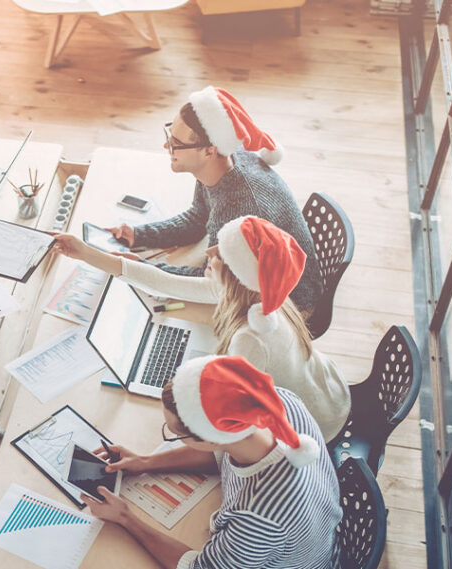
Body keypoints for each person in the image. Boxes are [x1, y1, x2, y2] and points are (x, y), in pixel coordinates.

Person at [55, 216, 349, 441]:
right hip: (326, 393)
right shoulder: (254, 292)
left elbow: (234, 421)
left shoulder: (251, 339)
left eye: (220, 253)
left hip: (315, 426)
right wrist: (84, 252)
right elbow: (161, 281)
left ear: (236, 274)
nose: (209, 251)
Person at [85, 355, 341, 569]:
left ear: (212, 438)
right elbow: (219, 455)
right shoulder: (279, 402)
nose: (174, 438)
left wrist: (125, 517)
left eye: (176, 434)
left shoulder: (257, 518)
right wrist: (145, 461)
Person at [106, 86, 322, 312]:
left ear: (209, 150)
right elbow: (198, 218)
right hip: (246, 275)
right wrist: (139, 235)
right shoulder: (221, 164)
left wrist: (142, 268)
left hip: (287, 305)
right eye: (169, 135)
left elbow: (210, 281)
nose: (166, 146)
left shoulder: (238, 206)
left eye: (176, 143)